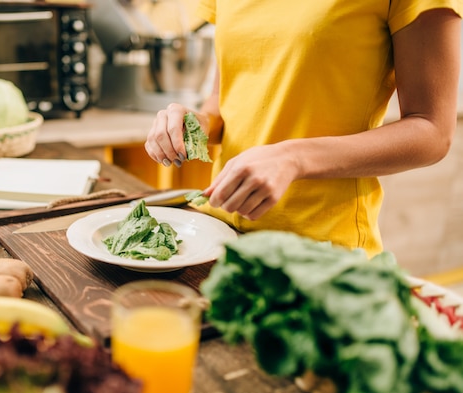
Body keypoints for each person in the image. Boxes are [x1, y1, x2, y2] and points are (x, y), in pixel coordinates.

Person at [144, 1, 463, 257]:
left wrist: (294, 157)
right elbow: (222, 99)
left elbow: (431, 130)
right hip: (223, 236)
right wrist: (195, 124)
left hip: (322, 253)